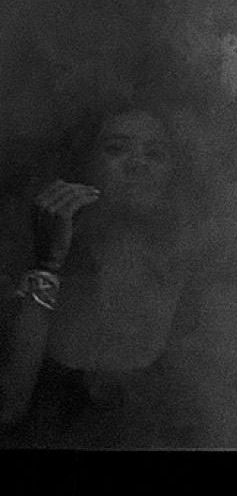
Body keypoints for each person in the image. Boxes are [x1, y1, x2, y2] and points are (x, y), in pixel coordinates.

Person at [2, 109, 194, 446]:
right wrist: (47, 264)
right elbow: (7, 408)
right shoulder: (29, 262)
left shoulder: (197, 279)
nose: (138, 163)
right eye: (116, 148)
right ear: (85, 166)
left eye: (155, 154)